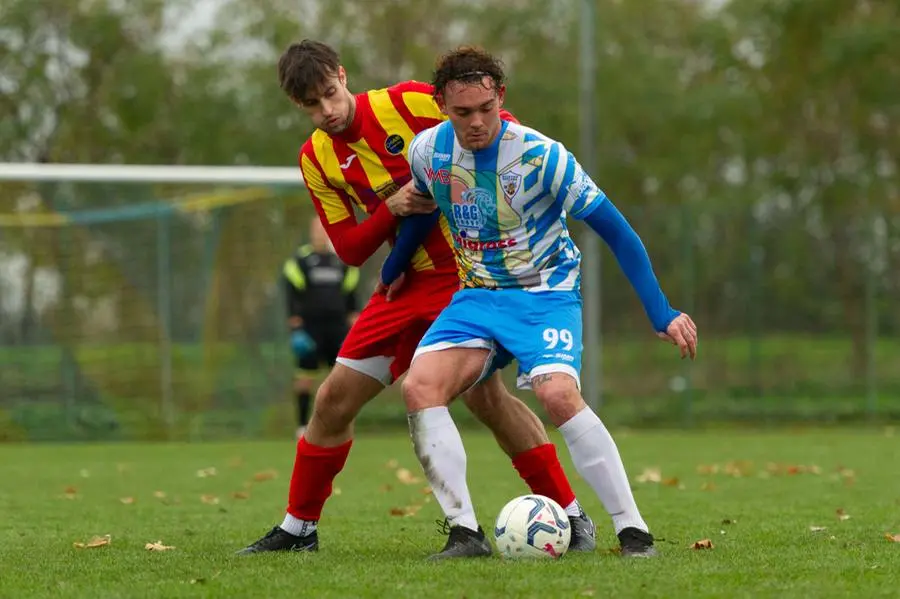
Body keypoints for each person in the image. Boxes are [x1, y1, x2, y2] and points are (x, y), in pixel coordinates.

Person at [238, 39, 597, 556]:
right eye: (312, 105)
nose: (328, 111)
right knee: (332, 400)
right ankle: (299, 529)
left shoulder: (408, 103)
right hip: (401, 286)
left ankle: (569, 513)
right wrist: (395, 208)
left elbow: (499, 133)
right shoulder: (316, 158)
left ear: (343, 75)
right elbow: (350, 249)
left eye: (331, 94)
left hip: (468, 277)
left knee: (485, 396)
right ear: (298, 106)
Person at [381, 46, 698, 559]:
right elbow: (424, 205)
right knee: (419, 388)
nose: (477, 122)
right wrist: (394, 268)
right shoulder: (426, 150)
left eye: (486, 108)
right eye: (463, 112)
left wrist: (661, 311)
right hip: (477, 297)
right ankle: (465, 532)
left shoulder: (541, 156)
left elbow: (616, 232)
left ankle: (633, 531)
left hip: (545, 295)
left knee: (556, 395)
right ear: (440, 103)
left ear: (500, 97)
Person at [283, 218, 360, 439]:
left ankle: (339, 425)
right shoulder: (300, 261)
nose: (321, 232)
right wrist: (296, 326)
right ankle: (301, 426)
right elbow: (292, 296)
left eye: (325, 228)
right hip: (310, 327)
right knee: (305, 377)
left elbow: (351, 298)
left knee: (339, 379)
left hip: (337, 328)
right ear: (311, 231)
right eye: (317, 228)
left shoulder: (342, 261)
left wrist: (354, 324)